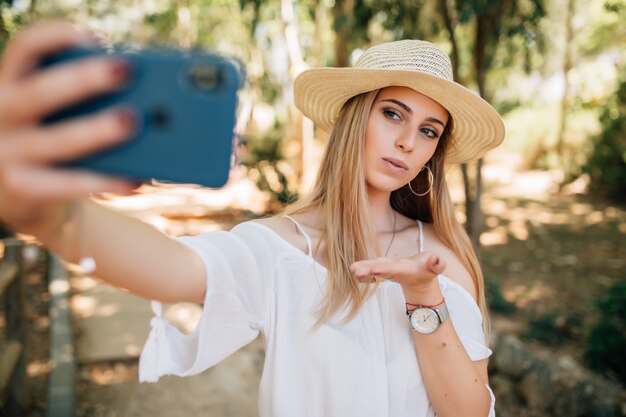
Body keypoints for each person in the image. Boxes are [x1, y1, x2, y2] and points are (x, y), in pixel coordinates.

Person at [0, 22, 505, 417]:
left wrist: (423, 299)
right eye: (393, 113)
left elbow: (470, 409)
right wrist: (48, 215)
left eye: (429, 130)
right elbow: (174, 268)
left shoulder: (440, 259)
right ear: (355, 118)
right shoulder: (282, 248)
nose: (408, 142)